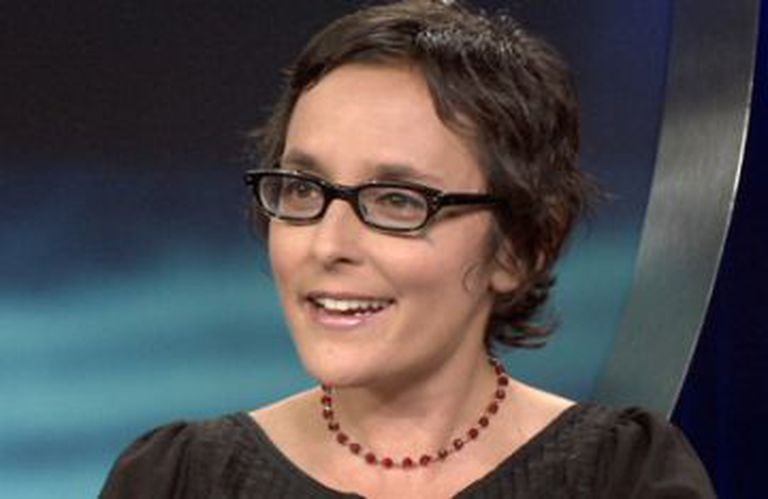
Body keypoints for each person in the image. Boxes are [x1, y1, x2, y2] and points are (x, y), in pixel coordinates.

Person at [100, 1, 715, 497]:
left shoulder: (621, 477)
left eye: (396, 199)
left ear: (522, 246)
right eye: (303, 189)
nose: (328, 244)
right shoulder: (178, 480)